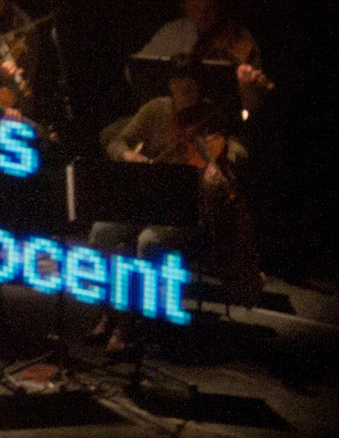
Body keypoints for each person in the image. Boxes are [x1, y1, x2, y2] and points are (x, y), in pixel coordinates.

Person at [89, 57, 259, 349]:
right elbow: (116, 141)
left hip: (184, 211)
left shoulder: (211, 117)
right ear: (171, 87)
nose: (186, 96)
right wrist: (129, 156)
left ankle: (131, 324)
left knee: (148, 241)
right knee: (100, 233)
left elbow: (238, 149)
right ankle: (109, 313)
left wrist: (221, 164)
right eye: (180, 89)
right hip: (147, 203)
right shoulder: (156, 110)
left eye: (192, 89)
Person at [134, 0, 273, 115]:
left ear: (219, 7)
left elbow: (253, 104)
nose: (202, 15)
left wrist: (247, 86)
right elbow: (136, 70)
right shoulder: (172, 32)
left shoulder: (238, 37)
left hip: (218, 117)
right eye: (195, 7)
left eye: (209, 8)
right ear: (185, 6)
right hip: (171, 115)